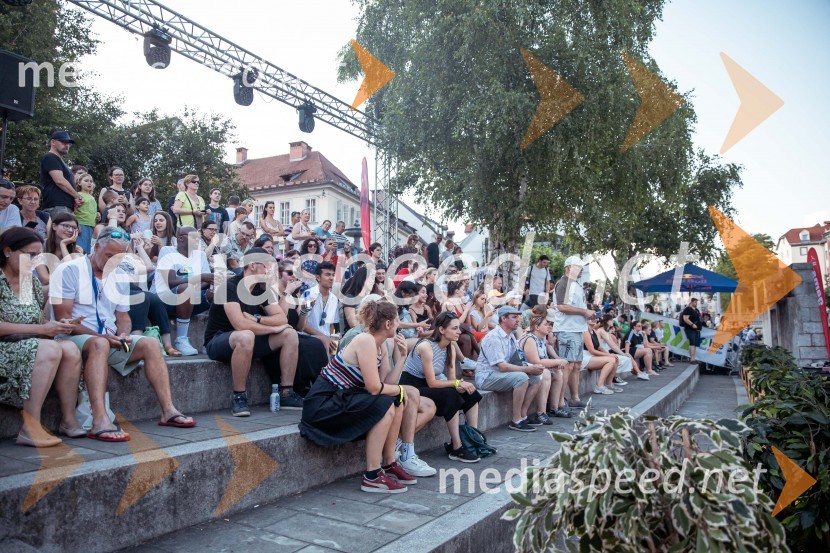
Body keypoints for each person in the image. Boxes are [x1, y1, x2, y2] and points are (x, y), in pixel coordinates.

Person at [51, 228, 196, 441]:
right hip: (74, 338)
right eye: (109, 256)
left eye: (119, 258)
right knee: (99, 344)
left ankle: (168, 410)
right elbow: (64, 320)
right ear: (96, 246)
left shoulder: (118, 273)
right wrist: (102, 337)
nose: (113, 262)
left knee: (149, 344)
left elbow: (123, 316)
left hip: (108, 338)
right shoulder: (69, 270)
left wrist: (124, 334)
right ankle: (100, 420)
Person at [299, 300, 418, 493]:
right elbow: (374, 388)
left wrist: (402, 358)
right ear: (388, 324)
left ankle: (388, 463)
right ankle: (372, 475)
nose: (400, 324)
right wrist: (399, 391)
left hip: (341, 399)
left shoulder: (379, 345)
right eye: (397, 321)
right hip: (322, 405)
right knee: (388, 401)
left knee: (396, 402)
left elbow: (386, 385)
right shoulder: (365, 340)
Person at [0, 228, 84, 447]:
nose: (34, 261)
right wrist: (42, 331)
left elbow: (35, 322)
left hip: (25, 345)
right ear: (8, 251)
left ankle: (68, 419)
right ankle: (30, 427)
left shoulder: (29, 282)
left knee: (70, 349)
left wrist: (54, 326)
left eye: (37, 256)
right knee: (50, 348)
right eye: (29, 254)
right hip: (5, 348)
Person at [203, 248, 303, 415]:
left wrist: (257, 319)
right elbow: (240, 324)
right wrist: (272, 328)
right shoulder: (229, 287)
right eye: (267, 266)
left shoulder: (261, 289)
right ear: (252, 265)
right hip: (218, 340)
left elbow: (281, 318)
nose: (271, 271)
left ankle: (286, 393)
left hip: (249, 340)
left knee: (289, 334)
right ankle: (239, 396)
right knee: (246, 335)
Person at [400, 312, 482, 462]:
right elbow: (432, 382)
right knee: (450, 395)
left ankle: (472, 439)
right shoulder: (426, 346)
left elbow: (451, 380)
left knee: (470, 392)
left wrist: (461, 385)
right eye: (455, 328)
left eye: (459, 328)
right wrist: (457, 383)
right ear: (442, 330)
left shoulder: (450, 346)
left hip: (428, 384)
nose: (459, 332)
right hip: (412, 385)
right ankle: (456, 447)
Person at [476, 305, 545, 432]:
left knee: (536, 377)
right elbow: (502, 367)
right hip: (486, 377)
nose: (518, 320)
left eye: (518, 317)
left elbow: (517, 359)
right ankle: (516, 420)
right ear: (503, 318)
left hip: (500, 374)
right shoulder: (493, 337)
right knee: (522, 378)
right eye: (514, 317)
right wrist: (527, 369)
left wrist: (533, 367)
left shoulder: (511, 336)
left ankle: (523, 415)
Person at [152, 225, 214, 355]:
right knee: (186, 288)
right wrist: (199, 278)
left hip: (189, 299)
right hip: (163, 300)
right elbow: (171, 282)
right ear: (180, 238)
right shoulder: (167, 251)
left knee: (218, 291)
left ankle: (210, 341)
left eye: (198, 237)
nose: (198, 240)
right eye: (194, 237)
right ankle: (181, 339)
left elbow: (207, 281)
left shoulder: (201, 255)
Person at [551, 256, 592, 410]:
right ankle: (560, 402)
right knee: (568, 365)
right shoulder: (564, 283)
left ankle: (574, 398)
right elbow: (562, 306)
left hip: (576, 329)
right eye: (578, 267)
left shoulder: (574, 284)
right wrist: (585, 312)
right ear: (569, 268)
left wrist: (586, 313)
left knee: (575, 365)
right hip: (567, 330)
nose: (581, 270)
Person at [519, 308, 571, 419]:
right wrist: (557, 361)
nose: (550, 326)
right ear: (537, 327)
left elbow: (546, 355)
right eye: (546, 324)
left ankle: (554, 408)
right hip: (523, 368)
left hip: (534, 366)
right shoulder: (530, 339)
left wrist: (557, 362)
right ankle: (541, 412)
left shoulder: (542, 338)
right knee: (546, 373)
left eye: (550, 324)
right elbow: (535, 361)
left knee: (558, 372)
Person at [300, 261, 339, 354]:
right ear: (318, 277)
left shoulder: (333, 298)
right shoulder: (309, 295)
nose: (331, 278)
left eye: (333, 275)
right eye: (327, 275)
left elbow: (331, 324)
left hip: (325, 340)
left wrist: (330, 338)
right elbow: (303, 326)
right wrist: (324, 338)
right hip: (309, 338)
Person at [39, 131, 80, 217]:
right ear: (53, 142)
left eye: (68, 143)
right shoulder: (50, 157)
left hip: (62, 206)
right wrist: (76, 195)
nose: (66, 145)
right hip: (57, 206)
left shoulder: (58, 160)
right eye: (63, 142)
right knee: (59, 230)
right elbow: (59, 181)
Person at [36, 212, 84, 286]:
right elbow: (45, 279)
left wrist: (63, 245)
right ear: (54, 226)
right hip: (42, 291)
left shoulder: (77, 250)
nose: (70, 230)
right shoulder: (41, 246)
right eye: (66, 226)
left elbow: (72, 275)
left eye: (74, 228)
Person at [582, 314, 623, 395]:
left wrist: (608, 354)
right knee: (611, 360)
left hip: (592, 356)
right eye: (590, 318)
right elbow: (592, 351)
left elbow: (600, 347)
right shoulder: (585, 331)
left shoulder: (594, 331)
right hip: (585, 357)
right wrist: (608, 355)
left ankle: (609, 383)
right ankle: (599, 386)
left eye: (594, 318)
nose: (593, 319)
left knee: (615, 358)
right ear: (586, 320)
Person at [74, 173, 97, 252]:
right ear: (79, 183)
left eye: (91, 181)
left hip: (91, 226)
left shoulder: (92, 197)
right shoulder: (78, 195)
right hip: (81, 224)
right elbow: (73, 210)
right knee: (80, 248)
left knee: (88, 249)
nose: (89, 183)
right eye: (86, 181)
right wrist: (76, 224)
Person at [680, 298, 702, 362]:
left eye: (696, 302)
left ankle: (693, 358)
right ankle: (691, 359)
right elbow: (685, 319)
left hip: (696, 329)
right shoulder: (687, 309)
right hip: (690, 328)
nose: (696, 303)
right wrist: (692, 324)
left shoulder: (696, 310)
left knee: (695, 344)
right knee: (692, 343)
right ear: (691, 302)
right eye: (695, 302)